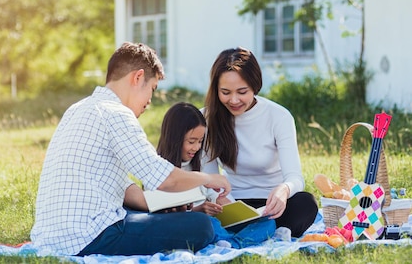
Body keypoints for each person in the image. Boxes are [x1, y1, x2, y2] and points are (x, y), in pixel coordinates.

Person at [30, 42, 231, 256]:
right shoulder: (116, 113)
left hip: (51, 237)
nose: (149, 102)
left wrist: (163, 206)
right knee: (200, 225)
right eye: (151, 89)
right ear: (137, 78)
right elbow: (164, 179)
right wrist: (210, 179)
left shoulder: (78, 109)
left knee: (151, 213)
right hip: (89, 236)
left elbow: (124, 188)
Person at [200, 47, 318, 238]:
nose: (234, 100)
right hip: (232, 202)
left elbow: (295, 177)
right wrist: (221, 200)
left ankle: (254, 232)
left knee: (306, 204)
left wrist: (284, 190)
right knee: (201, 215)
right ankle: (266, 233)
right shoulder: (205, 118)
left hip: (272, 205)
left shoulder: (279, 116)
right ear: (216, 90)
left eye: (242, 91)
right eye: (225, 92)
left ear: (255, 85)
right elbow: (209, 178)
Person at [155, 102, 223, 215]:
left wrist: (218, 201)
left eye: (200, 141)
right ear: (174, 139)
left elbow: (211, 193)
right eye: (191, 142)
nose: (197, 147)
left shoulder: (197, 163)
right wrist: (197, 211)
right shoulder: (158, 171)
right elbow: (163, 212)